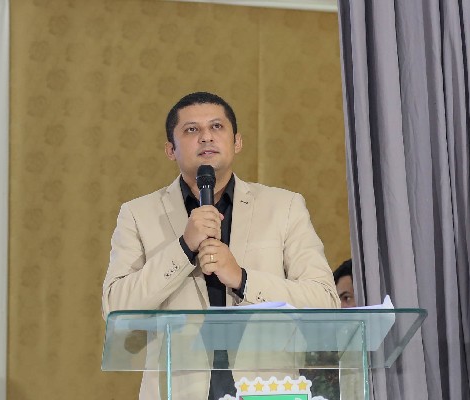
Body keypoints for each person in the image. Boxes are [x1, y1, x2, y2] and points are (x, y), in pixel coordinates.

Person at [102, 91, 340, 400]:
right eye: (192, 130)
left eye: (217, 126)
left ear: (237, 142)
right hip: (179, 390)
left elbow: (324, 302)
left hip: (265, 388)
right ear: (170, 150)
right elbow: (116, 309)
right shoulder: (138, 214)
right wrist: (184, 247)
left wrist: (242, 278)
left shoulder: (284, 207)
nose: (206, 137)